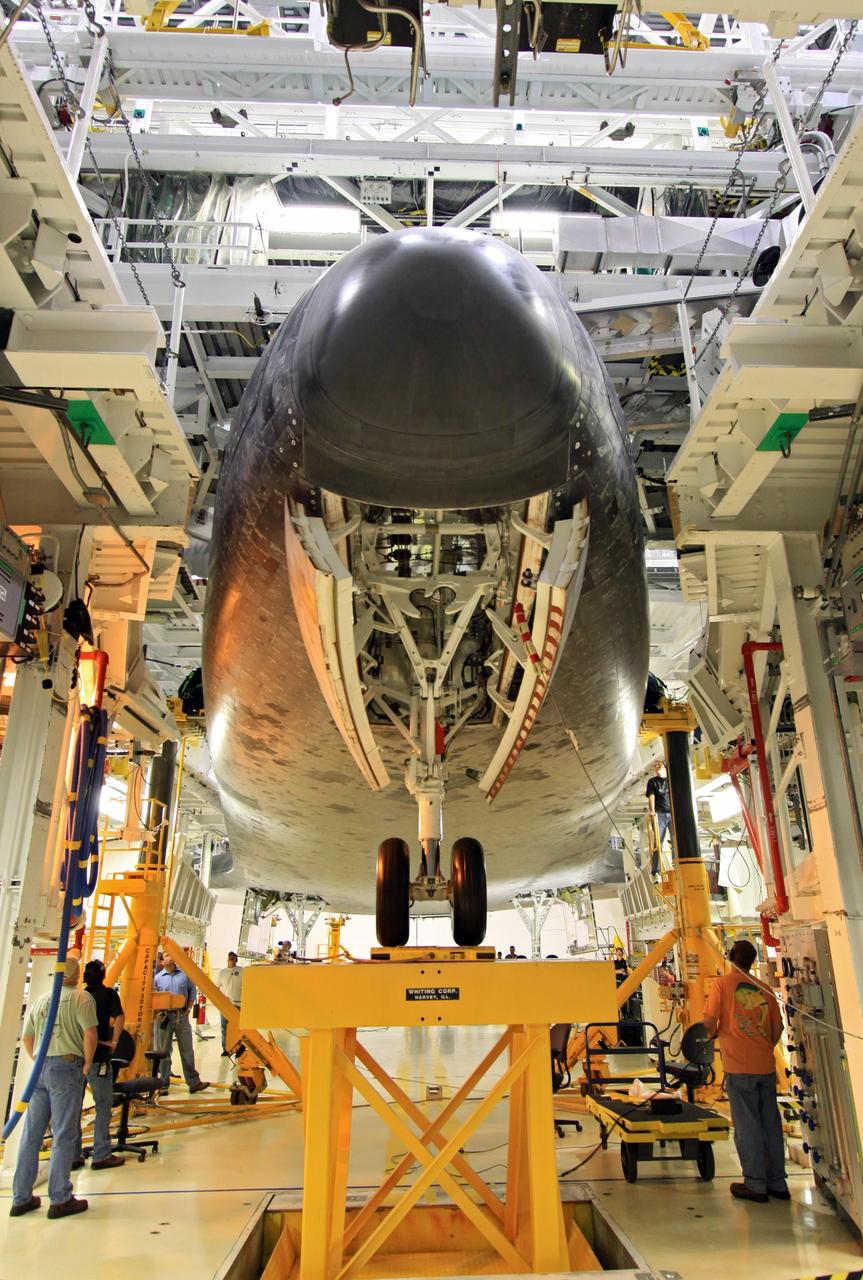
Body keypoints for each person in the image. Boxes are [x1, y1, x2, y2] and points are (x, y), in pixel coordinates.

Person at [10, 957, 97, 1220]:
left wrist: (38, 1060)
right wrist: (86, 1064)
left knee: (31, 1135)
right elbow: (90, 1034)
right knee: (63, 1133)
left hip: (40, 1070)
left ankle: (21, 1198)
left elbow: (27, 1037)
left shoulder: (41, 1000)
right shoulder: (81, 999)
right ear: (77, 974)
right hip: (66, 1068)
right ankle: (60, 1198)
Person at [703, 939, 788, 1203]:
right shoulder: (765, 989)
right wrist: (762, 1047)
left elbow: (709, 1021)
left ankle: (755, 1184)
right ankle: (778, 1182)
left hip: (738, 1066)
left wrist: (712, 1035)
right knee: (771, 1124)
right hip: (765, 1066)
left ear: (731, 957)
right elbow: (778, 1029)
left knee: (747, 1125)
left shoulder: (722, 985)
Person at [74, 959, 125, 1171]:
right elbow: (120, 1017)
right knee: (103, 1105)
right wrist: (114, 1041)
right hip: (98, 1057)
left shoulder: (78, 996)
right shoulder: (109, 994)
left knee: (73, 1107)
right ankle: (102, 1154)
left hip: (76, 1058)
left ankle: (73, 1155)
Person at [153, 955, 209, 1094]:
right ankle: (163, 1085)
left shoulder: (184, 976)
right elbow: (153, 997)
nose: (170, 957)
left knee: (187, 1050)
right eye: (166, 955)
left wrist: (188, 1009)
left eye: (170, 954)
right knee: (164, 1052)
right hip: (163, 1018)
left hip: (181, 1017)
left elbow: (192, 992)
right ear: (162, 962)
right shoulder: (157, 978)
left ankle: (193, 1082)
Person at [646, 761, 671, 876]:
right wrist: (652, 811)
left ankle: (676, 862)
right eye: (655, 766)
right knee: (658, 841)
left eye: (659, 765)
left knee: (675, 840)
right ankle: (655, 870)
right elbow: (651, 797)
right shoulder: (653, 782)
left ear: (665, 766)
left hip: (671, 813)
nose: (656, 767)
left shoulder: (670, 780)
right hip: (659, 814)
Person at [216, 951, 243, 1057]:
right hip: (225, 1005)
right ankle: (226, 1049)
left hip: (238, 1004)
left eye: (233, 958)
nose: (231, 960)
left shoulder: (241, 971)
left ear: (236, 960)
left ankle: (239, 1048)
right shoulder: (222, 973)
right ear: (227, 959)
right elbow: (216, 987)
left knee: (238, 1027)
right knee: (224, 1028)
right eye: (230, 958)